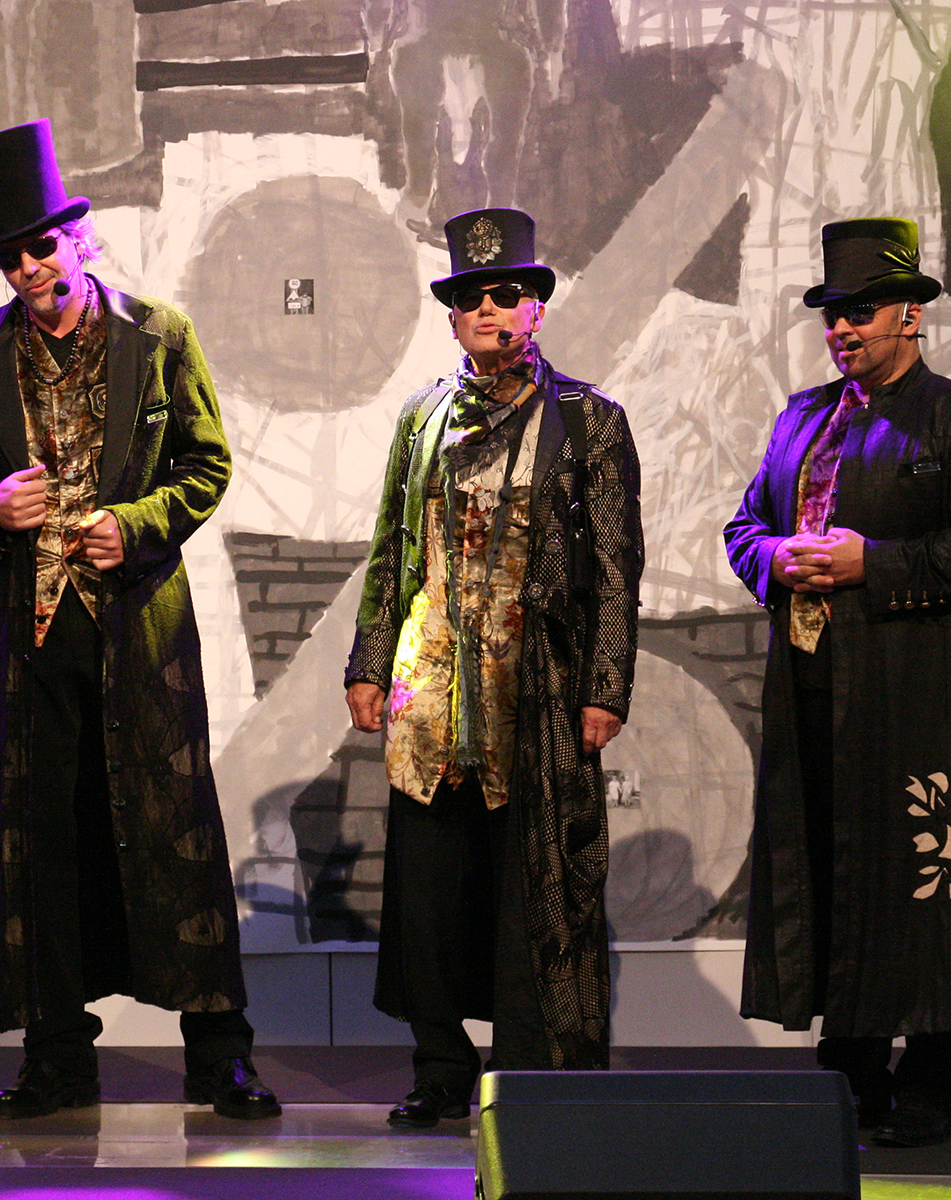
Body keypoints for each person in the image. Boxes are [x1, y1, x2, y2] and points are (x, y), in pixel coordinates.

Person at [0, 119, 279, 1121]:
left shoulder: (157, 335)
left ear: (79, 239)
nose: (29, 270)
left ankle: (220, 1055)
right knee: (38, 837)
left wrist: (138, 523)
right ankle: (55, 1057)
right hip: (24, 633)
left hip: (136, 624)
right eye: (10, 257)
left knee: (173, 827)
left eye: (41, 247)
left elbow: (205, 463)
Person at [724, 218, 951, 1148]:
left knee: (926, 874)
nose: (843, 329)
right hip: (812, 686)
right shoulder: (801, 418)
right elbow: (743, 527)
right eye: (833, 314)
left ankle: (930, 1084)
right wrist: (777, 557)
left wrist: (872, 564)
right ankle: (851, 1069)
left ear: (910, 316)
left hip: (913, 688)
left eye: (860, 312)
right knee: (831, 863)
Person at [345, 208, 643, 1128]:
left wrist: (605, 686)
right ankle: (440, 1065)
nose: (489, 309)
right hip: (432, 685)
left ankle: (529, 1071)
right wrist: (368, 663)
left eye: (507, 294)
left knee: (533, 878)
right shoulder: (421, 418)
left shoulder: (587, 420)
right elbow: (392, 549)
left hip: (538, 686)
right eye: (471, 296)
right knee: (432, 884)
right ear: (453, 316)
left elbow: (616, 566)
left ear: (536, 309)